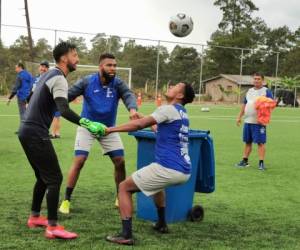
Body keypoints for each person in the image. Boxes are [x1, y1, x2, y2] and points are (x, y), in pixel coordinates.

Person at [18, 41, 106, 239]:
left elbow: (31, 99)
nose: (78, 59)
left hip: (26, 130)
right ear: (64, 58)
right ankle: (52, 227)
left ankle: (34, 217)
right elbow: (63, 109)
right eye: (75, 55)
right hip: (35, 132)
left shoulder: (46, 75)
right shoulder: (59, 78)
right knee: (55, 178)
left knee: (43, 176)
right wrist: (87, 123)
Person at [104, 82, 195, 245]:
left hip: (169, 167)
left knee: (124, 187)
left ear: (180, 95)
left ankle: (126, 235)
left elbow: (139, 126)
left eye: (176, 86)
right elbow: (159, 130)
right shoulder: (182, 114)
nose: (171, 86)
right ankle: (161, 224)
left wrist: (111, 129)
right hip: (184, 171)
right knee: (156, 186)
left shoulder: (167, 109)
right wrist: (144, 118)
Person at [59, 53, 139, 214]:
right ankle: (66, 200)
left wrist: (132, 109)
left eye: (115, 65)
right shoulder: (87, 81)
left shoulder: (118, 83)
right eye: (109, 65)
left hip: (108, 128)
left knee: (120, 161)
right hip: (87, 126)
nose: (113, 68)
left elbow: (128, 95)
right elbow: (66, 97)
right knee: (80, 160)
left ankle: (120, 194)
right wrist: (56, 101)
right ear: (100, 67)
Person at [236, 72, 273, 170]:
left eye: (258, 79)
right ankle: (245, 161)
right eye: (255, 79)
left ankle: (261, 163)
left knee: (260, 143)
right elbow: (244, 104)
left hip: (259, 122)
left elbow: (271, 105)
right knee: (247, 142)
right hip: (248, 121)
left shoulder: (266, 91)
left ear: (263, 80)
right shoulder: (249, 91)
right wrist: (239, 116)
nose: (256, 80)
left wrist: (264, 117)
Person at [7, 62, 33, 130]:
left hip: (21, 96)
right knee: (28, 113)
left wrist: (10, 97)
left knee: (22, 113)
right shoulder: (29, 74)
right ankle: (28, 128)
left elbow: (16, 88)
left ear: (20, 67)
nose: (15, 69)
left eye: (16, 68)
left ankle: (23, 129)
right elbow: (32, 85)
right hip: (29, 96)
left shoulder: (20, 76)